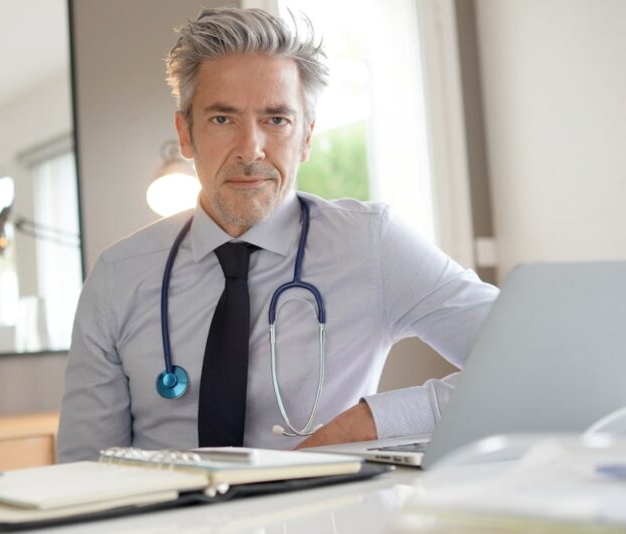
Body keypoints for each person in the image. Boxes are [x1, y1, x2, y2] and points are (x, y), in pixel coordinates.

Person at [57, 7, 498, 462]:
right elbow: (84, 468)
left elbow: (535, 359)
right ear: (185, 134)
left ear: (306, 136)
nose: (251, 148)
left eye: (277, 119)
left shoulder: (372, 244)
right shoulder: (118, 275)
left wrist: (373, 421)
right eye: (222, 119)